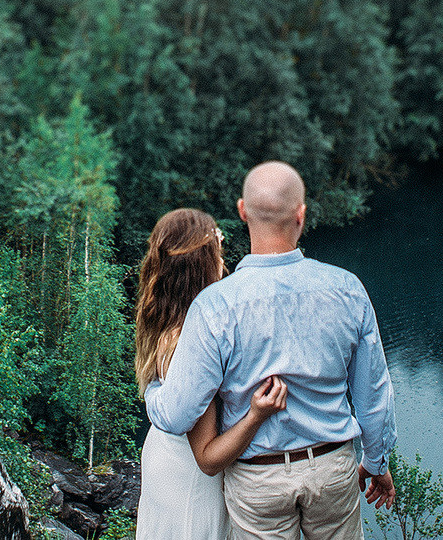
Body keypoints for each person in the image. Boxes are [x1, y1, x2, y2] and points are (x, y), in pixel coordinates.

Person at [145, 163, 395, 540]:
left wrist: (152, 391)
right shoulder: (347, 289)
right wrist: (376, 461)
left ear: (242, 211)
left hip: (257, 479)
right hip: (331, 469)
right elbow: (373, 394)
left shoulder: (214, 307)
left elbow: (178, 415)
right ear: (302, 214)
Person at [134, 208, 290, 540]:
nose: (222, 262)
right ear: (202, 265)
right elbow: (208, 457)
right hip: (190, 479)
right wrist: (256, 415)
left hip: (165, 458)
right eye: (217, 252)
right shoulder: (190, 343)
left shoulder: (167, 324)